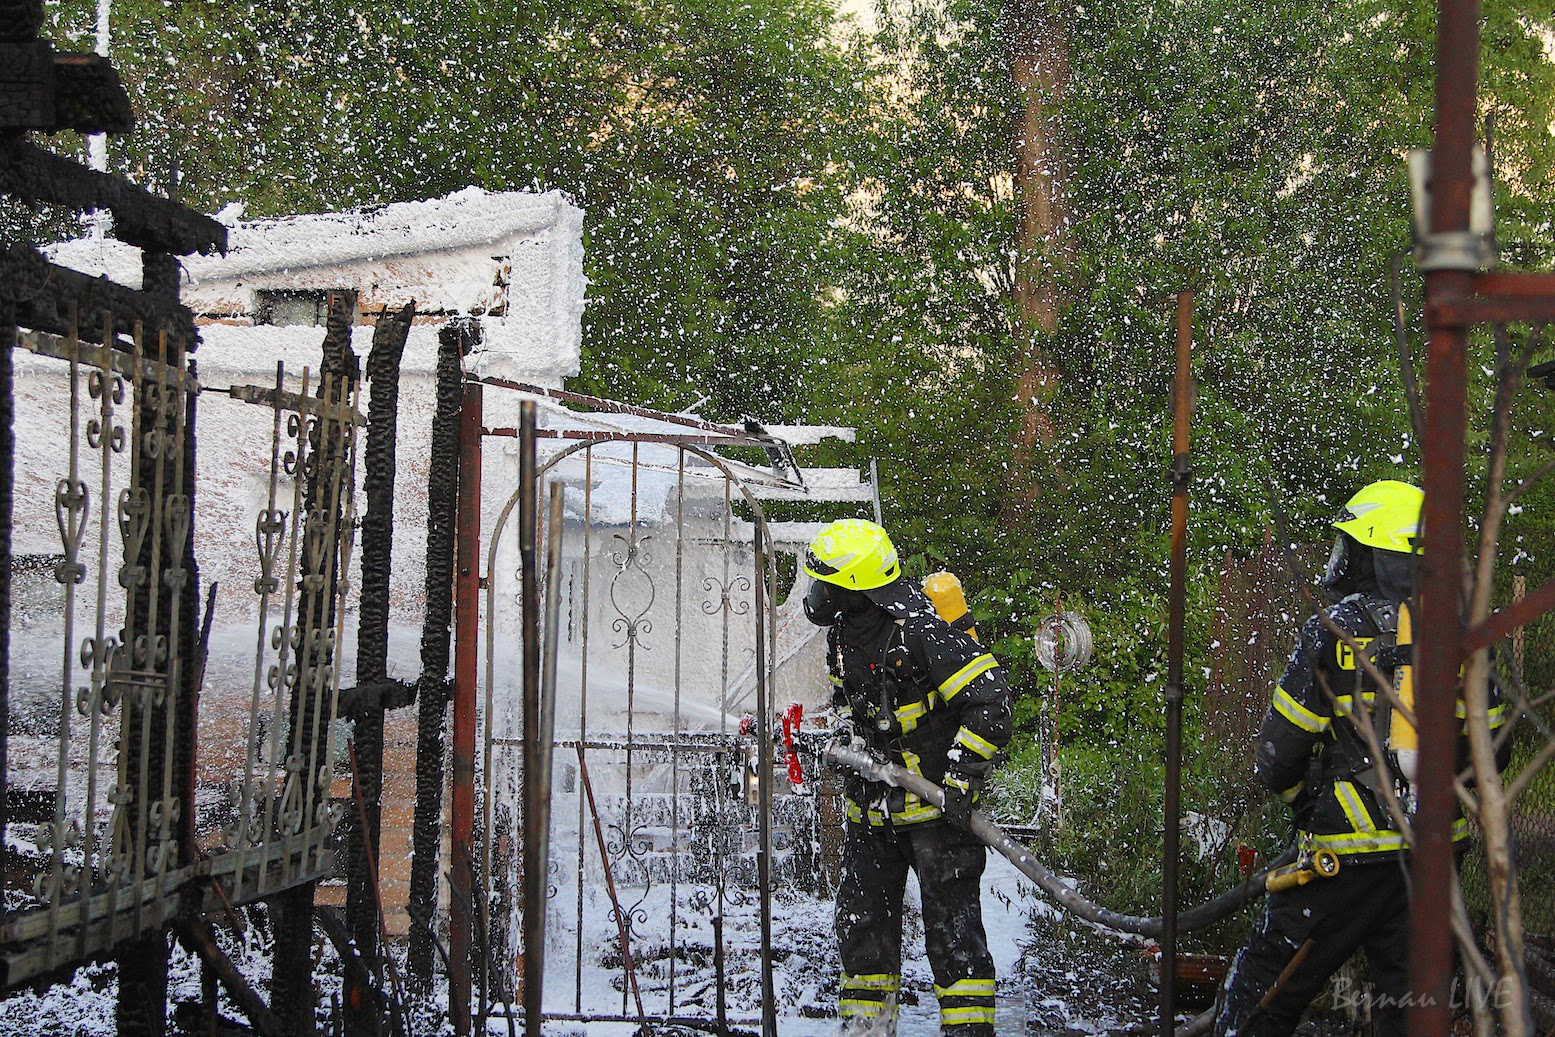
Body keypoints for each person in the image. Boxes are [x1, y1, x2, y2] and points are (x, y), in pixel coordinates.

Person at [1215, 480, 1510, 1036]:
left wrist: (1307, 805)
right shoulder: (1466, 634)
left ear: (1373, 553)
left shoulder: (1335, 629)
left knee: (1259, 996)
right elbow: (1495, 749)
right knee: (1413, 1010)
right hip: (1433, 858)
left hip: (1343, 858)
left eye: (1350, 546)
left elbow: (1278, 754)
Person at [803, 519, 1013, 1036]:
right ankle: (867, 1031)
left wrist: (961, 782)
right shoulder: (846, 635)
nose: (816, 594)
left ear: (854, 590)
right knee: (863, 938)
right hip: (871, 816)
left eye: (826, 582)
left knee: (955, 945)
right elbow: (860, 711)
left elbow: (991, 704)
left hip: (936, 818)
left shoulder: (920, 631)